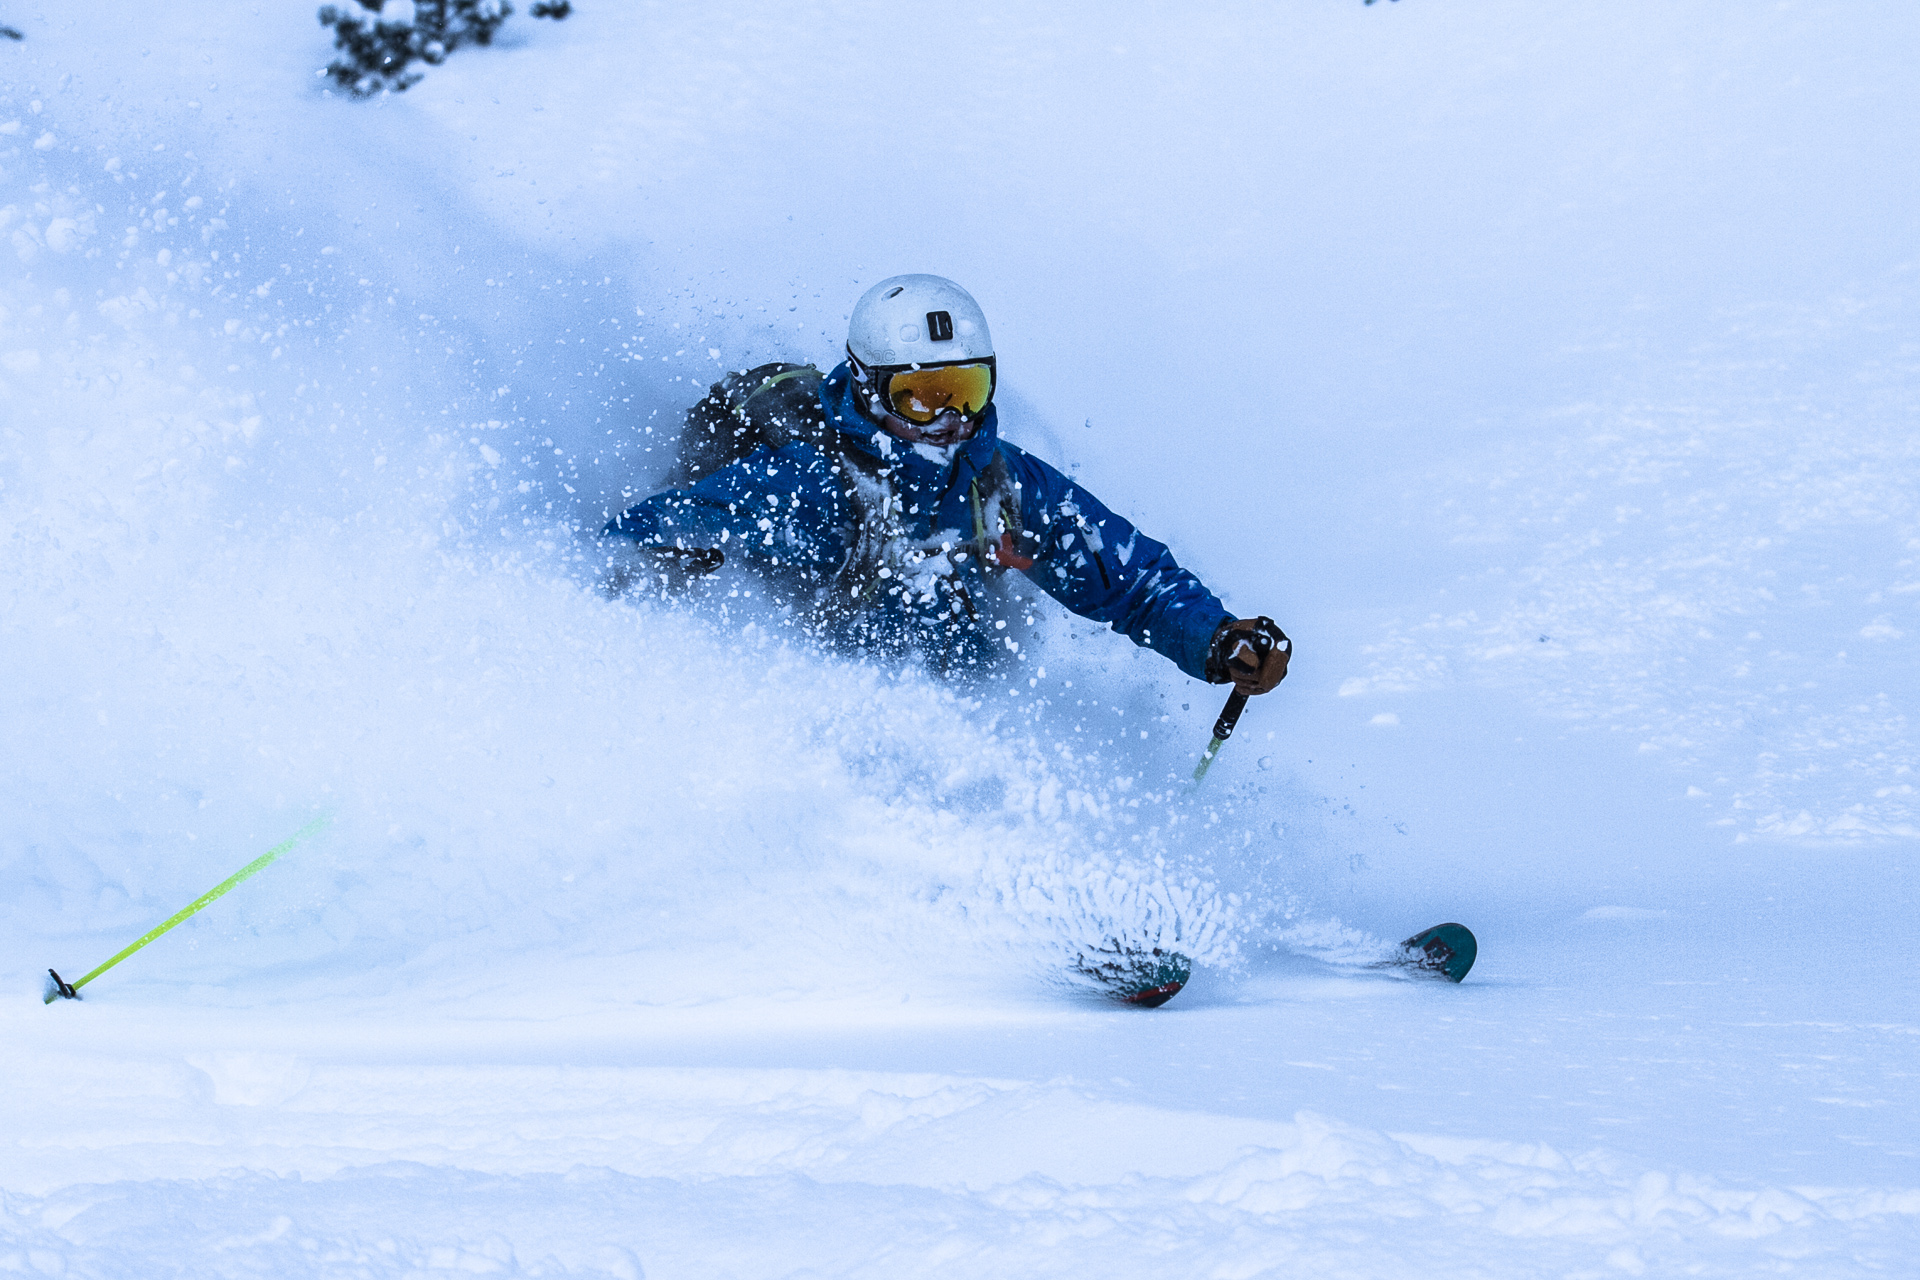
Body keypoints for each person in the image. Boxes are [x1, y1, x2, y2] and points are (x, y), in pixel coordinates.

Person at [601, 274, 1290, 698]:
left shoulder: (1001, 481)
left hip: (959, 694)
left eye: (967, 389)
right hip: (821, 693)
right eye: (923, 398)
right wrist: (664, 565)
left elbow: (1128, 578)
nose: (951, 420)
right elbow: (648, 533)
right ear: (870, 391)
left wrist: (1215, 638)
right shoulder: (812, 486)